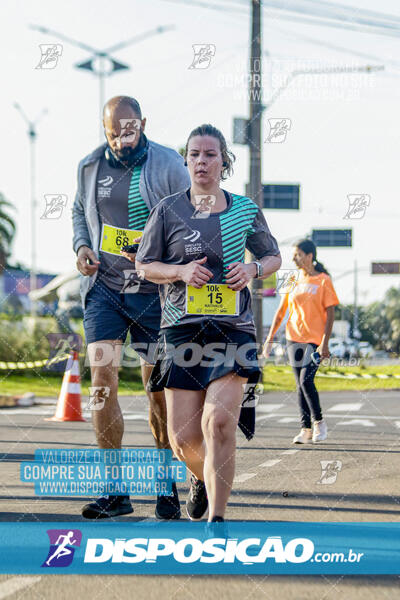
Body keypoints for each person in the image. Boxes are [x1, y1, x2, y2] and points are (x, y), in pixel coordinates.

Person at [136, 124, 281, 522]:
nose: (202, 161)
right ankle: (200, 477)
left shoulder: (245, 210)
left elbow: (273, 256)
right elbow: (144, 266)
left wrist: (253, 268)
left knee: (218, 422)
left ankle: (217, 521)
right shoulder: (168, 210)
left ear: (223, 162)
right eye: (195, 154)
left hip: (232, 330)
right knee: (182, 440)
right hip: (181, 329)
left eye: (210, 154)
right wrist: (180, 272)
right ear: (186, 161)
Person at [72, 96, 190, 519]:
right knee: (101, 383)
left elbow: (189, 218)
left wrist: (156, 245)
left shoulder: (168, 165)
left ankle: (165, 485)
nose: (121, 139)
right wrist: (82, 245)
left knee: (156, 391)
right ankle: (114, 491)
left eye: (128, 130)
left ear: (143, 123)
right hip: (104, 290)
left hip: (153, 294)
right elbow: (78, 212)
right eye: (112, 132)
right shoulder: (91, 165)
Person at [263, 239, 339, 444]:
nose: (293, 258)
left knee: (306, 381)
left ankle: (319, 422)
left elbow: (330, 314)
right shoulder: (291, 279)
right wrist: (269, 339)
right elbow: (281, 312)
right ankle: (305, 429)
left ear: (309, 256)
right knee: (299, 384)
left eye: (297, 254)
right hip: (292, 338)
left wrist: (325, 343)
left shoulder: (324, 280)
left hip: (314, 341)